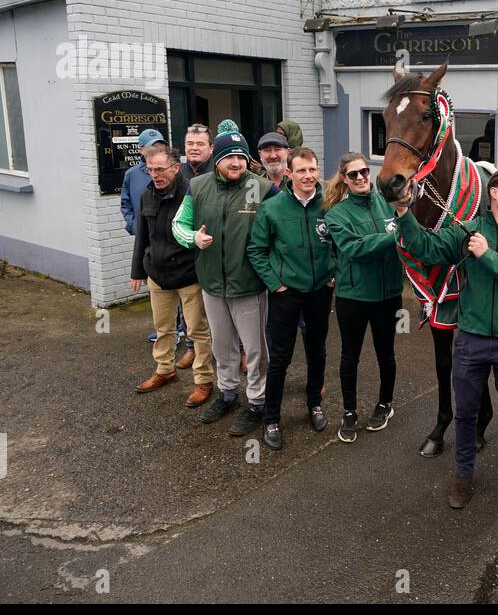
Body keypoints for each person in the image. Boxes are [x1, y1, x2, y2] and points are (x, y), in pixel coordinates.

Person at [393, 169, 498, 515]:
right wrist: (404, 213)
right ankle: (463, 477)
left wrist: (486, 254)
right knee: (465, 413)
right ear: (494, 193)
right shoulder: (469, 230)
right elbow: (425, 248)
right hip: (472, 338)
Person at [172, 126, 277, 436]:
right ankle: (228, 394)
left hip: (249, 286)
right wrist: (193, 238)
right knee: (222, 346)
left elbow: (284, 227)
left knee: (256, 350)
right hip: (212, 285)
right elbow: (178, 224)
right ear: (216, 158)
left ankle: (257, 402)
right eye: (229, 156)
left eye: (241, 157)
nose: (236, 163)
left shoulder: (263, 189)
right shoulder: (198, 186)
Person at [246, 147, 336, 450]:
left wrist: (332, 273)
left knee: (317, 350)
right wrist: (275, 284)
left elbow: (340, 243)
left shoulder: (329, 204)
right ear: (289, 173)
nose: (308, 176)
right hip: (287, 294)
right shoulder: (272, 208)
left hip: (320, 291)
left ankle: (314, 403)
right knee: (280, 358)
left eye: (312, 169)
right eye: (301, 171)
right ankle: (271, 418)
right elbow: (256, 250)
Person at [322, 152, 405, 442]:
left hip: (389, 295)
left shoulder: (387, 204)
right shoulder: (335, 215)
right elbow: (356, 249)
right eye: (353, 174)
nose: (360, 178)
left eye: (363, 172)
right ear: (344, 179)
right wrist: (395, 235)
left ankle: (385, 403)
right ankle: (349, 411)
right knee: (350, 356)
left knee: (386, 354)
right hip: (353, 297)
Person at [129, 145, 215, 404]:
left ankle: (203, 380)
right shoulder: (147, 195)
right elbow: (142, 234)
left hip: (188, 274)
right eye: (150, 169)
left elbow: (200, 233)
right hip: (157, 273)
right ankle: (165, 370)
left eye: (159, 169)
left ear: (176, 168)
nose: (154, 174)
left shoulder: (193, 193)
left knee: (197, 331)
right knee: (163, 328)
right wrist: (137, 269)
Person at [121, 129, 167, 236]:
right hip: (143, 235)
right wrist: (133, 226)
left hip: (168, 236)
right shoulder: (131, 174)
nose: (157, 150)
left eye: (160, 146)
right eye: (152, 147)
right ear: (141, 150)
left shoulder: (173, 170)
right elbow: (125, 205)